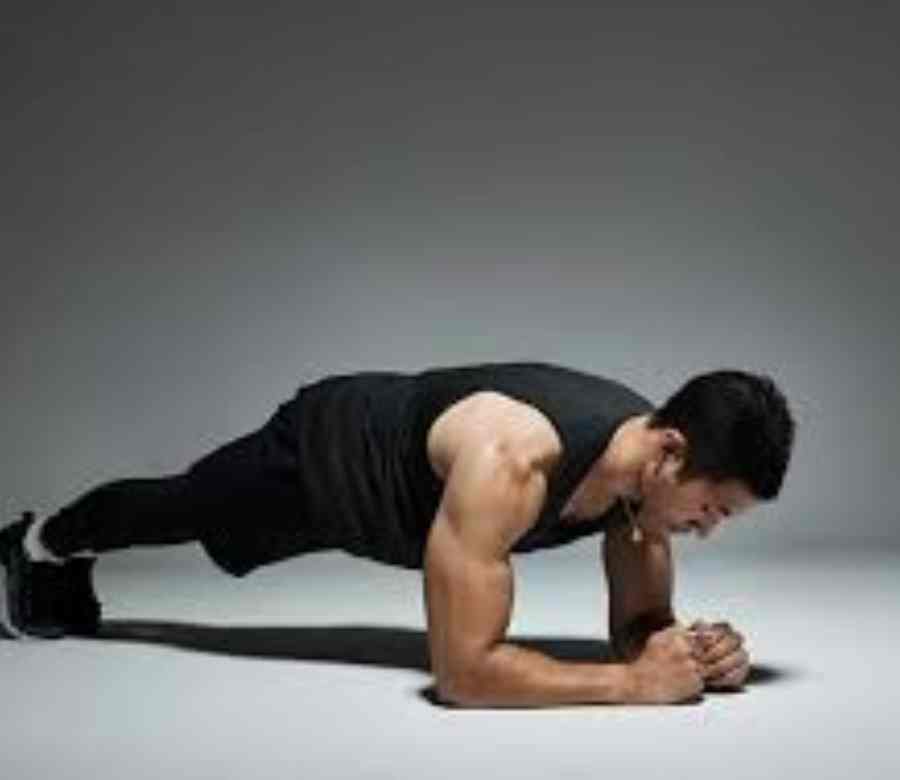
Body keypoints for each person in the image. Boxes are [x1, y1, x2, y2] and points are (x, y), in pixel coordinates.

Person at [0, 360, 794, 707]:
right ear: (670, 452)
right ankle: (41, 543)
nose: (706, 531)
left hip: (404, 512)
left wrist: (691, 654)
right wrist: (633, 687)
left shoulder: (639, 491)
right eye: (713, 509)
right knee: (176, 508)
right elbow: (464, 675)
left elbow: (640, 627)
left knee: (180, 512)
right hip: (326, 459)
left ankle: (49, 547)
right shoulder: (515, 457)